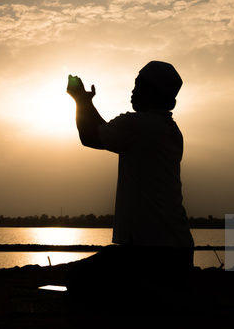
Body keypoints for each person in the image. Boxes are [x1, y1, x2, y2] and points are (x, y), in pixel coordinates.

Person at [65, 61, 194, 307]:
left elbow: (91, 136)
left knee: (77, 278)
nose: (133, 92)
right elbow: (105, 131)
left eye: (139, 87)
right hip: (180, 255)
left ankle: (145, 295)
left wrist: (79, 100)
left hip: (149, 253)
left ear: (153, 93)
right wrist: (86, 101)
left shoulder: (137, 125)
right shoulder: (171, 131)